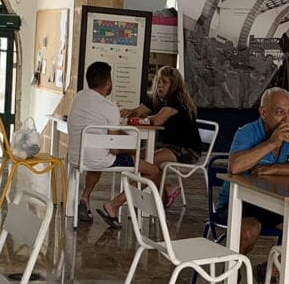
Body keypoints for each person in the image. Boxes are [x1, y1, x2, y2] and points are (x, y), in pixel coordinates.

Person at [219, 87, 289, 256]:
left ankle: (271, 275)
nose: (287, 119)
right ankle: (232, 277)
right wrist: (272, 143)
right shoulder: (246, 132)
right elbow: (235, 167)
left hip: (273, 203)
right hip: (239, 202)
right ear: (263, 113)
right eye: (280, 112)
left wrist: (274, 169)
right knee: (248, 230)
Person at [67, 61, 161, 228]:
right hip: (99, 160)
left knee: (98, 156)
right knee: (153, 171)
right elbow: (115, 149)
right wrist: (134, 146)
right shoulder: (110, 107)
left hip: (77, 157)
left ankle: (84, 198)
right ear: (108, 82)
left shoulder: (79, 97)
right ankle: (114, 205)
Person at [121, 66, 204, 206]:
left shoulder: (176, 101)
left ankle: (124, 200)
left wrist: (144, 117)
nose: (159, 85)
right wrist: (128, 112)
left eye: (164, 82)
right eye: (158, 81)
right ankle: (167, 188)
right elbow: (137, 111)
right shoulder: (156, 98)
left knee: (148, 163)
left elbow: (157, 120)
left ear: (173, 85)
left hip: (186, 149)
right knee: (137, 156)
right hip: (167, 146)